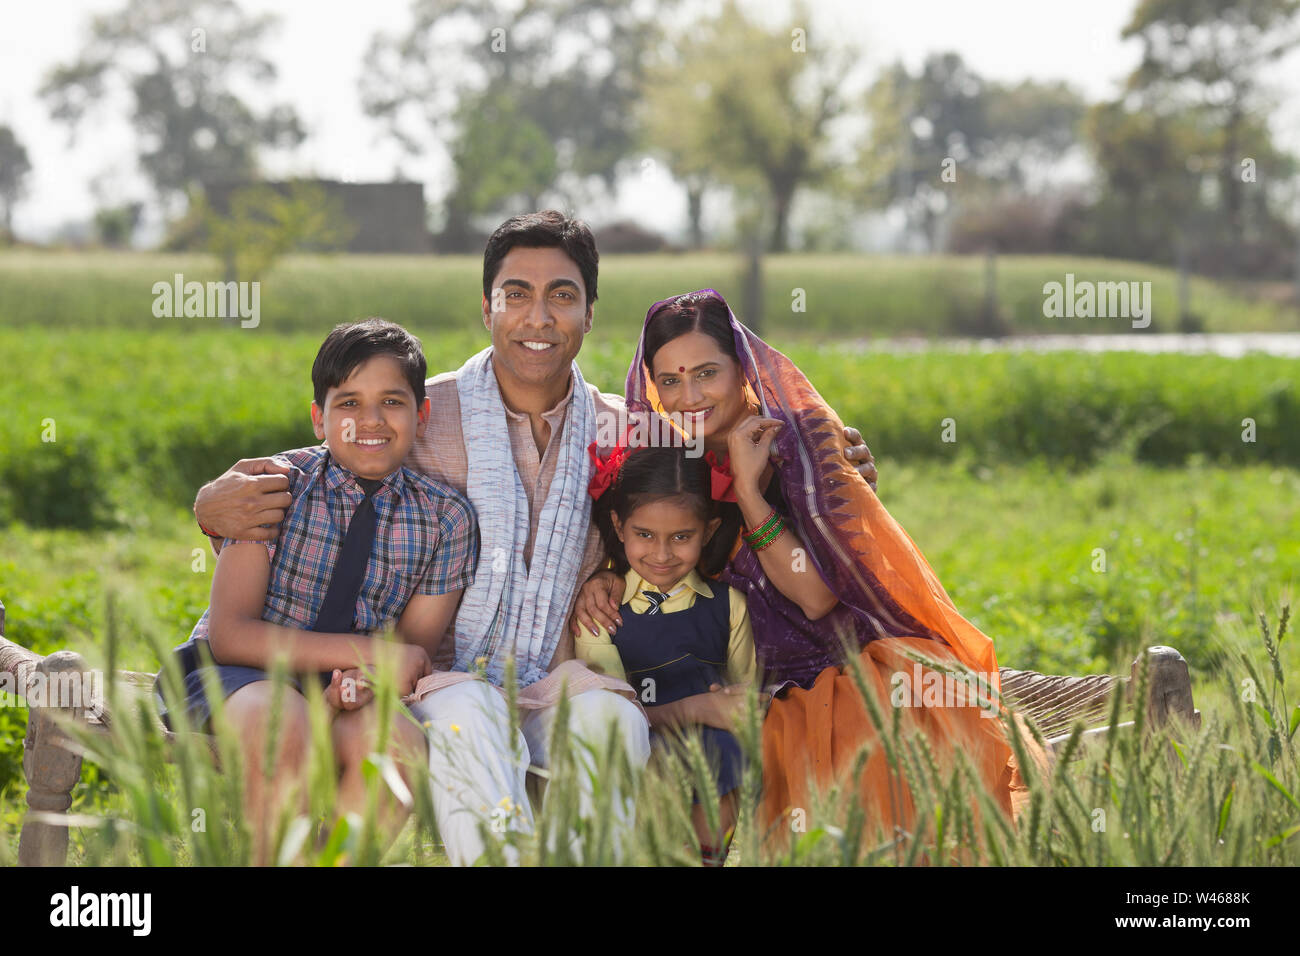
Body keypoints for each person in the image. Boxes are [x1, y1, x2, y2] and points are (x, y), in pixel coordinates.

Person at [192, 211, 879, 866]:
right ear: (487, 308)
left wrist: (827, 468)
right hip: (437, 680)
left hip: (560, 678)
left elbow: (716, 462)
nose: (538, 318)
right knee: (466, 721)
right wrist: (209, 501)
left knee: (617, 730)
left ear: (588, 313)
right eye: (516, 295)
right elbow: (336, 459)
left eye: (562, 296)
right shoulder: (425, 409)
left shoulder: (623, 428)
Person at [570, 289, 1051, 852]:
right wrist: (606, 574)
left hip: (841, 672)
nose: (689, 396)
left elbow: (817, 598)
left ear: (742, 369)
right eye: (669, 381)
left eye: (707, 373)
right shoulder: (676, 460)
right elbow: (651, 545)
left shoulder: (802, 441)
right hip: (739, 681)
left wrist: (749, 493)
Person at [156, 318, 478, 864]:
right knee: (285, 727)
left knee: (402, 751)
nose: (370, 421)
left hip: (353, 687)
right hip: (240, 675)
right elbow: (232, 635)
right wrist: (367, 653)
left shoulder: (446, 520)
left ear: (421, 416)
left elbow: (407, 657)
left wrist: (363, 677)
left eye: (392, 403)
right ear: (318, 418)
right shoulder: (272, 489)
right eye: (348, 403)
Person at [579, 443, 756, 866]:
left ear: (709, 531)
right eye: (645, 535)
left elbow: (747, 691)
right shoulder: (602, 611)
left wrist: (736, 709)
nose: (661, 555)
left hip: (711, 750)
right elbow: (611, 715)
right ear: (619, 527)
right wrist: (698, 707)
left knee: (736, 748)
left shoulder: (728, 605)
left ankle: (702, 855)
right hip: (640, 743)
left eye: (681, 537)